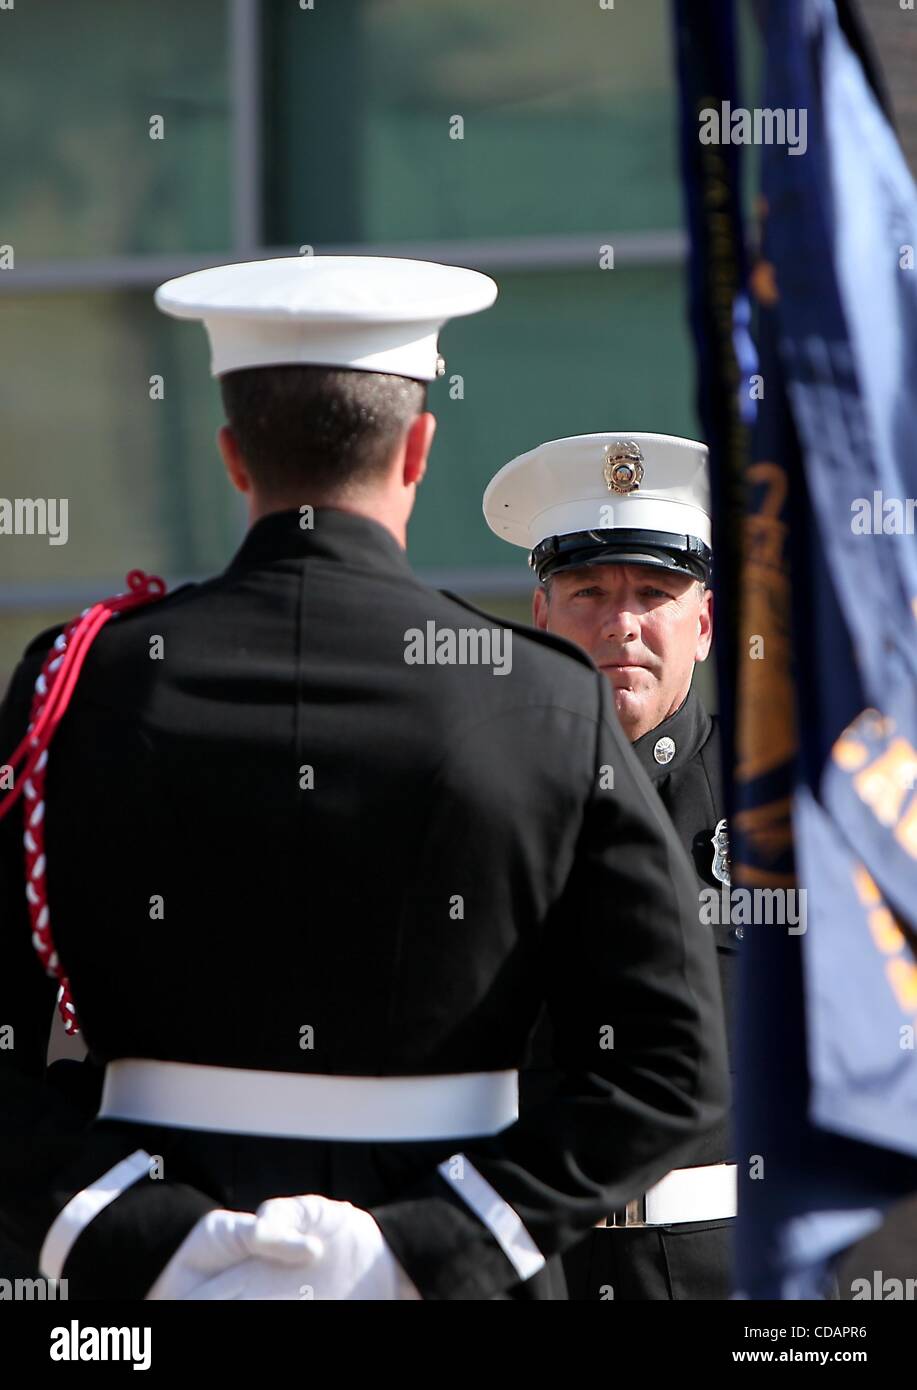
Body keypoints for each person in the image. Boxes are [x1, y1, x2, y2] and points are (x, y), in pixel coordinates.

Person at [0, 264, 728, 1301]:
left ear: (230, 454)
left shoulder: (77, 686)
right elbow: (671, 1071)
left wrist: (132, 1231)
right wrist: (432, 1246)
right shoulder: (540, 701)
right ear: (418, 449)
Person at [484, 431, 737, 1300]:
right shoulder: (481, 807)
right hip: (528, 1269)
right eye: (587, 590)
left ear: (703, 623)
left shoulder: (784, 816)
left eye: (654, 593)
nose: (620, 620)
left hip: (733, 1271)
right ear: (541, 617)